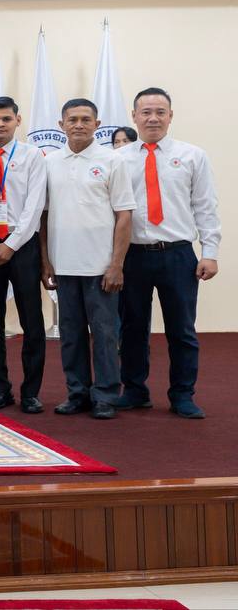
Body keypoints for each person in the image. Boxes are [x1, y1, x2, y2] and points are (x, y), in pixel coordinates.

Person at [116, 88, 220, 420]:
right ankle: (135, 390)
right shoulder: (117, 159)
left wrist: (210, 252)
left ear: (171, 116)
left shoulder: (193, 156)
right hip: (132, 255)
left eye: (160, 112)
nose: (153, 118)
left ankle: (183, 395)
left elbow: (205, 206)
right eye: (146, 112)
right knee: (132, 327)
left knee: (182, 329)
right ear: (134, 116)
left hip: (177, 255)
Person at [40, 98, 134, 420]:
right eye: (72, 119)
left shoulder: (112, 161)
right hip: (64, 265)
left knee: (105, 334)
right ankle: (77, 393)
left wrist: (116, 264)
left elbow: (124, 215)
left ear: (97, 124)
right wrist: (45, 261)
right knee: (71, 334)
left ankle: (106, 395)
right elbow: (43, 215)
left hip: (100, 266)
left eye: (85, 119)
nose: (78, 125)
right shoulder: (50, 162)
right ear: (61, 125)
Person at [0, 96, 48, 413]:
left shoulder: (33, 156)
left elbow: (35, 207)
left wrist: (11, 245)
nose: (0, 124)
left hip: (22, 245)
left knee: (32, 320)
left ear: (18, 120)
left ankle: (31, 392)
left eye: (6, 119)